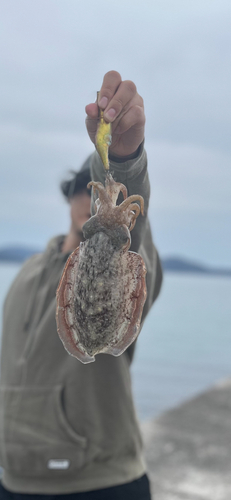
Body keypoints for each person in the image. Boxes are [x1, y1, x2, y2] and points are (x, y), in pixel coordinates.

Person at [0, 71, 162, 499]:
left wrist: (123, 157)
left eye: (86, 193)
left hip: (99, 481)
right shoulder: (29, 271)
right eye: (79, 192)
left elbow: (133, 235)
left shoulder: (132, 252)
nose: (84, 203)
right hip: (14, 478)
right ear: (71, 200)